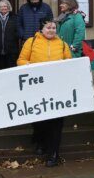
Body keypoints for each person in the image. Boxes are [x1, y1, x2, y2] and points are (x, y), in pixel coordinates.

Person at [17, 18, 72, 167]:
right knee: (40, 120)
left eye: (54, 28)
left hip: (57, 89)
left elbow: (70, 63)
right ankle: (40, 142)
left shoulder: (62, 44)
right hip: (37, 88)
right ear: (42, 29)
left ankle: (54, 153)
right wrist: (29, 65)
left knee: (56, 122)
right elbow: (21, 60)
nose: (51, 30)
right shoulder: (31, 42)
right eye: (48, 28)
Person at [0, 0, 19, 70]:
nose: (3, 8)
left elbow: (17, 31)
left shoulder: (14, 18)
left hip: (11, 51)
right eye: (1, 6)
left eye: (5, 6)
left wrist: (13, 38)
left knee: (10, 71)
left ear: (8, 7)